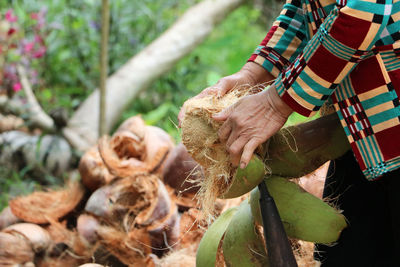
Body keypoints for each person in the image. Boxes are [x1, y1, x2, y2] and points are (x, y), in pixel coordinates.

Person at [179, 0, 400, 266]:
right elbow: (309, 7)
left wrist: (276, 102)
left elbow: (364, 10)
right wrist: (254, 72)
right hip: (366, 131)